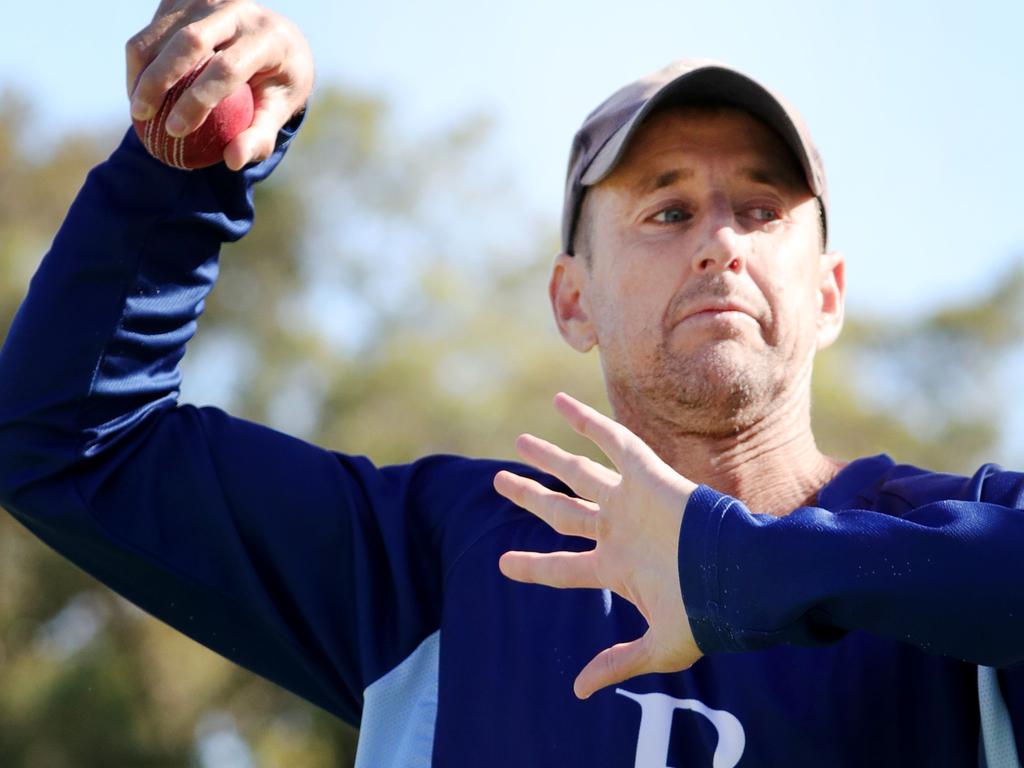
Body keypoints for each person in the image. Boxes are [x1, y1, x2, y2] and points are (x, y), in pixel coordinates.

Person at [1, 1, 1022, 765]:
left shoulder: (967, 547)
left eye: (760, 210)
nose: (718, 242)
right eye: (665, 212)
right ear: (571, 301)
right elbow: (69, 438)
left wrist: (731, 566)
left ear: (829, 293)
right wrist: (182, 175)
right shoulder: (448, 557)